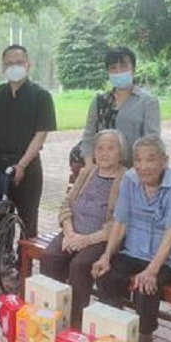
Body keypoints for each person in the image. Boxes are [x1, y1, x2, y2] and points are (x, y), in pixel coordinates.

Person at [91, 135, 171, 342]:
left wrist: (152, 270)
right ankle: (117, 333)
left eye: (151, 159)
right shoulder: (130, 179)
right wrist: (106, 256)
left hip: (168, 258)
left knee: (145, 286)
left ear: (164, 161)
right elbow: (120, 222)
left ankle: (144, 341)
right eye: (138, 160)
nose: (143, 166)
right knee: (106, 276)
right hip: (134, 251)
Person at [40, 130, 127, 329]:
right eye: (100, 148)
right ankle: (52, 313)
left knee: (79, 266)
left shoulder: (126, 179)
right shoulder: (87, 172)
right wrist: (69, 232)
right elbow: (66, 204)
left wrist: (86, 240)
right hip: (73, 232)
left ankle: (75, 323)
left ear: (120, 154)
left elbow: (119, 221)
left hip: (100, 239)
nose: (104, 153)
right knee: (50, 256)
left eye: (111, 148)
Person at [0, 45, 56, 238]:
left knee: (28, 220)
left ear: (28, 65)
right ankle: (2, 264)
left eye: (19, 62)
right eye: (9, 63)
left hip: (27, 166)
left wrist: (21, 165)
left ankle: (25, 267)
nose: (14, 66)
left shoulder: (41, 96)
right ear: (3, 67)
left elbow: (40, 135)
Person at [73, 47, 160, 176]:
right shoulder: (100, 101)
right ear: (108, 71)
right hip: (101, 171)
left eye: (124, 66)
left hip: (134, 173)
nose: (119, 71)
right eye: (113, 68)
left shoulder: (148, 102)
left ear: (133, 69)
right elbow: (89, 136)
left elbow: (152, 141)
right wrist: (89, 165)